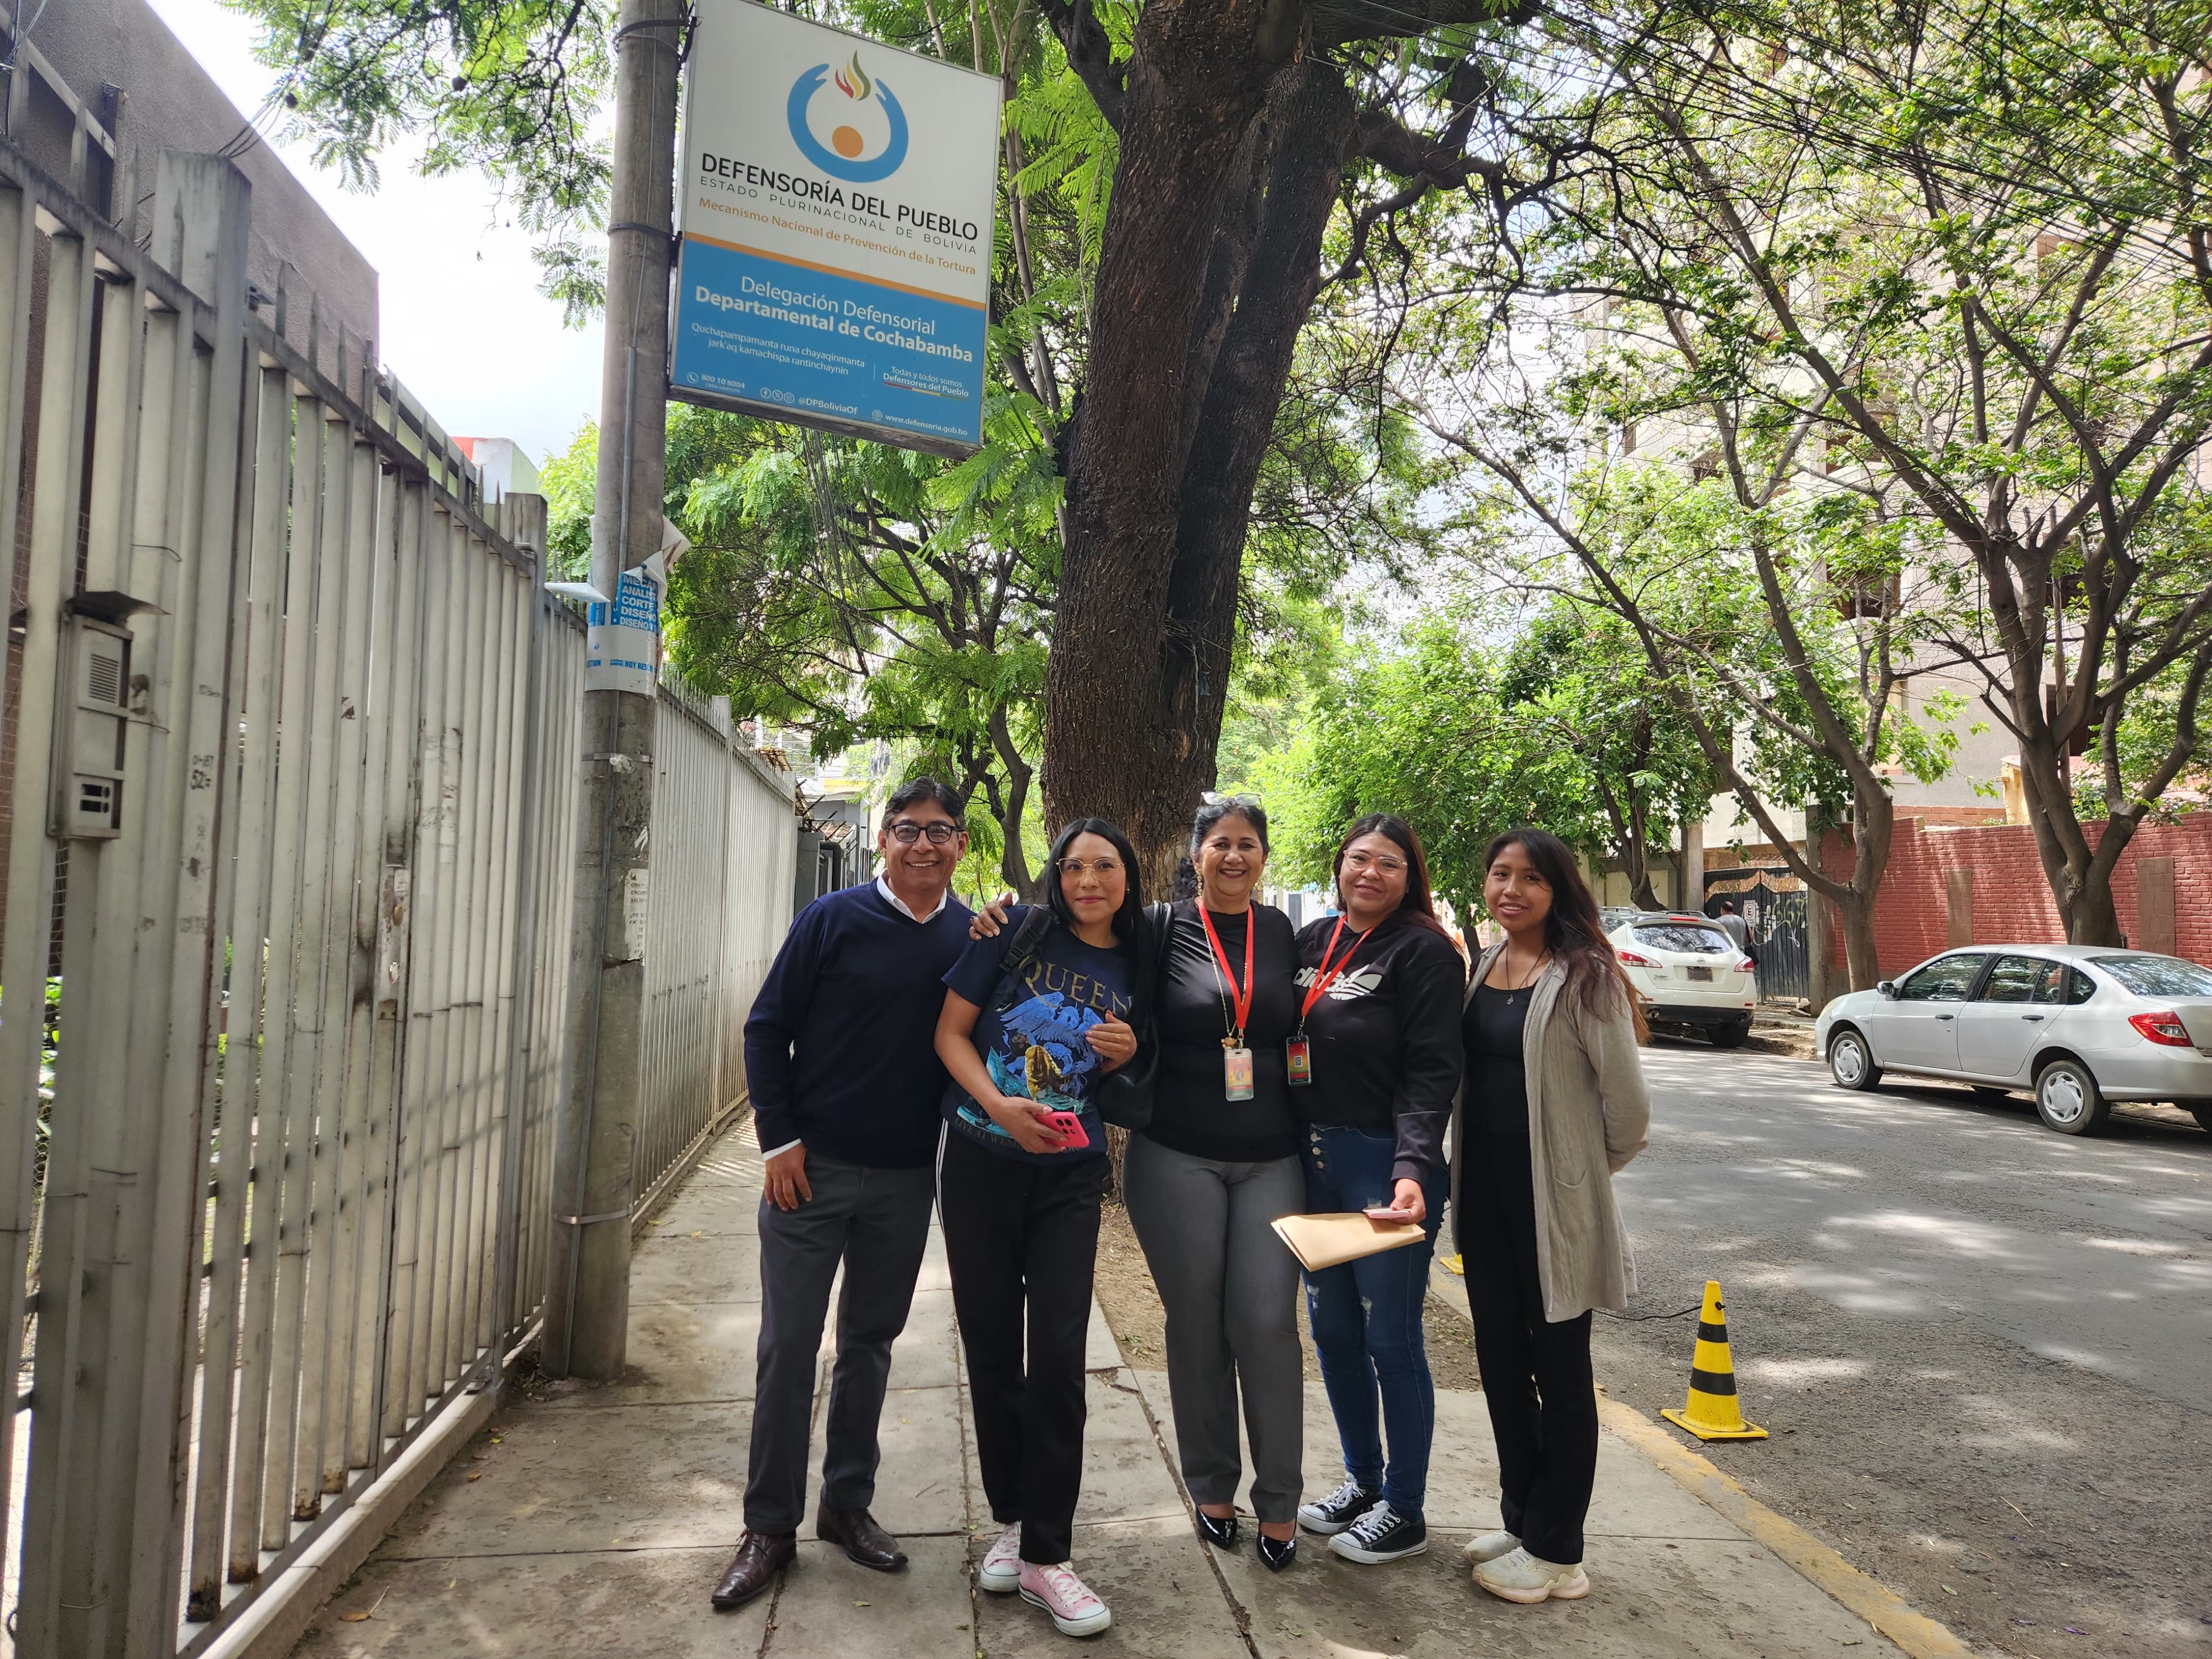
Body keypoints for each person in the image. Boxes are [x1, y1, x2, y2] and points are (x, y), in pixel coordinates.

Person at [712, 780, 975, 1612]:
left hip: (904, 1178)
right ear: (883, 843)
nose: (924, 845)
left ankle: (846, 1505)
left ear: (961, 846)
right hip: (809, 1173)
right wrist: (779, 1140)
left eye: (940, 832)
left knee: (869, 1342)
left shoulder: (974, 937)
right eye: (908, 830)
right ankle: (768, 1528)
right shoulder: (830, 920)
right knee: (788, 1347)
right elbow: (766, 1029)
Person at [932, 818, 1145, 1640]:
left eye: (1106, 865)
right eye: (1075, 864)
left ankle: (1050, 1554)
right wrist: (998, 1108)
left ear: (1128, 877)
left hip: (1069, 1178)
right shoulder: (1013, 929)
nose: (1089, 878)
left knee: (1057, 1355)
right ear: (1057, 874)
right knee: (990, 1346)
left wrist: (1131, 1052)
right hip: (982, 1161)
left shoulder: (1139, 961)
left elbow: (1150, 1055)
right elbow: (950, 1033)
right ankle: (1016, 1522)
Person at [1454, 828, 1650, 1605]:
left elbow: (1629, 1113)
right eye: (1500, 874)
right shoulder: (1486, 966)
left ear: (1557, 889)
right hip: (1485, 1201)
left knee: (1562, 1372)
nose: (1512, 889)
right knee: (1502, 1364)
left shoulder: (1586, 977)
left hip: (1554, 1209)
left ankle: (1558, 1548)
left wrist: (1577, 1175)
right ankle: (1522, 1518)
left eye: (1530, 878)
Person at [1125, 799, 1305, 1570]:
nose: (1235, 857)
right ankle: (1211, 1485)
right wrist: (997, 922)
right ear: (1195, 855)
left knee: (1265, 1322)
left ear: (1264, 857)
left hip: (1273, 1155)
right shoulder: (1159, 929)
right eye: (1220, 844)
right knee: (1196, 1321)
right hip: (1175, 1153)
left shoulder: (1287, 934)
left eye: (1249, 845)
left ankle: (1283, 1501)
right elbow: (1079, 941)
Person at [1290, 816, 1465, 1566]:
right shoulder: (1311, 943)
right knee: (1332, 1335)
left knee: (1390, 1340)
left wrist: (1410, 1169)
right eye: (1358, 859)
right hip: (1312, 1166)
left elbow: (1432, 1071)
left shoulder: (1424, 950)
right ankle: (1363, 1482)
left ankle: (1407, 1506)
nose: (1370, 873)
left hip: (1381, 1169)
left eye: (1388, 863)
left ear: (1409, 875)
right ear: (1339, 866)